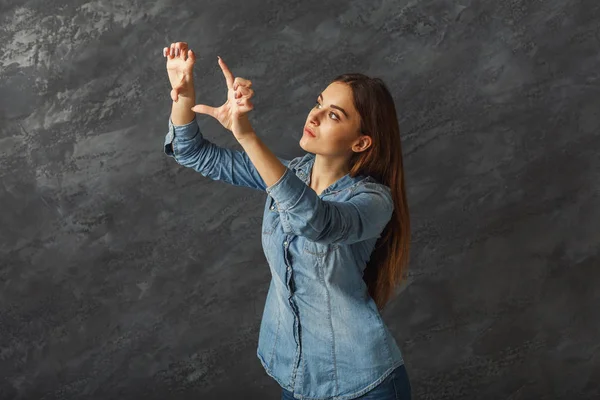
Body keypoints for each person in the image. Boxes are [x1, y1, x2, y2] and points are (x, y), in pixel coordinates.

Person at [162, 42, 412, 400]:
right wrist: (183, 94)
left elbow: (318, 223)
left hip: (365, 386)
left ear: (361, 143)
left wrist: (245, 134)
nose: (314, 116)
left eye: (334, 115)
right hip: (296, 379)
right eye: (318, 103)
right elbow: (194, 153)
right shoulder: (289, 174)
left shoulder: (373, 201)